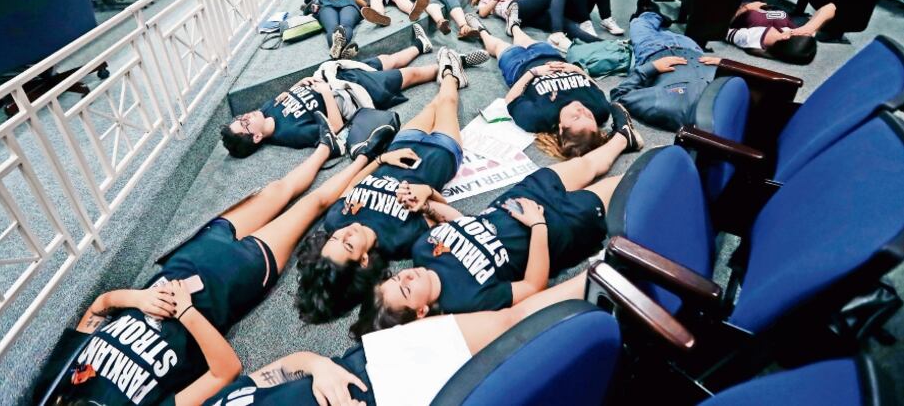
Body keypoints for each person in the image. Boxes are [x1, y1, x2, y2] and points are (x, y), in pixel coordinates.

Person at [35, 122, 367, 406]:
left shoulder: (53, 389)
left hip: (187, 258)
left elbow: (100, 306)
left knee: (278, 190)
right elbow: (226, 371)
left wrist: (136, 298)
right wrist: (185, 312)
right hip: (231, 280)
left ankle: (327, 147)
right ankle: (371, 157)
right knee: (312, 205)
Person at [354, 133, 635, 329]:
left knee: (586, 164)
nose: (407, 275)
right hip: (558, 227)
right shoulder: (467, 300)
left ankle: (624, 137)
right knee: (627, 185)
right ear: (421, 311)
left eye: (397, 277)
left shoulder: (422, 250)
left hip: (517, 199)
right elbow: (532, 287)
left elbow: (465, 222)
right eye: (405, 289)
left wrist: (429, 208)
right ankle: (673, 163)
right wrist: (538, 226)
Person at [204, 272, 601, 406]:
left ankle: (609, 274)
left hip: (363, 364)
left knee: (504, 323)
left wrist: (318, 365)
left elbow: (281, 369)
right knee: (517, 371)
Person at [294, 49, 473, 324]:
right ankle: (451, 67)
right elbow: (449, 219)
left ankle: (448, 67)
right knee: (448, 99)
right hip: (440, 156)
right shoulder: (398, 241)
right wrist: (428, 194)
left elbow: (353, 185)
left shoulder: (336, 219)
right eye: (349, 244)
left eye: (334, 238)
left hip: (399, 147)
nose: (344, 233)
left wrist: (380, 158)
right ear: (364, 260)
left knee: (430, 106)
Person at [463, 12, 642, 158]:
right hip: (552, 57)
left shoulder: (539, 118)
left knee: (498, 47)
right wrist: (572, 68)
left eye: (576, 118)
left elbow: (510, 99)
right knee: (523, 37)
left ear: (562, 127)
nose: (583, 111)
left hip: (520, 67)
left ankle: (481, 30)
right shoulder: (600, 110)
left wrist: (533, 73)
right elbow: (592, 84)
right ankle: (514, 26)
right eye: (589, 118)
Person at [221, 38, 436, 158]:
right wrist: (325, 93)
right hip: (349, 93)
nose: (246, 116)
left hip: (337, 76)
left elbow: (288, 94)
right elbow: (335, 128)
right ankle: (452, 65)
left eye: (241, 117)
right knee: (409, 76)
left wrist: (300, 83)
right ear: (256, 137)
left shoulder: (266, 110)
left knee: (386, 59)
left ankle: (420, 44)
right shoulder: (290, 134)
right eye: (245, 123)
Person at [610, 0, 723, 131]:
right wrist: (726, 64)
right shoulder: (729, 98)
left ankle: (648, 13)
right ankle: (657, 18)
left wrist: (652, 67)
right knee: (668, 32)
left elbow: (619, 96)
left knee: (639, 23)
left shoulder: (668, 106)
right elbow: (752, 83)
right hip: (692, 49)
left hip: (652, 51)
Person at [471, 0, 573, 53]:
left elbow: (527, 1)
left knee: (564, 22)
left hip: (526, 13)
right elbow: (483, 13)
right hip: (513, 9)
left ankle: (585, 44)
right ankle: (556, 35)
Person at [727, 1, 836, 65]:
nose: (808, 32)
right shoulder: (790, 34)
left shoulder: (749, 38)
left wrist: (746, 8)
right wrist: (810, 28)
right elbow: (831, 7)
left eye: (803, 33)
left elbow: (721, 29)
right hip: (770, 10)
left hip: (738, 8)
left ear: (786, 37)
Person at [301, 0, 368, 59]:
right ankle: (343, 50)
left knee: (346, 24)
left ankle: (338, 52)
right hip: (326, 7)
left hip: (348, 5)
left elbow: (365, 5)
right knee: (333, 28)